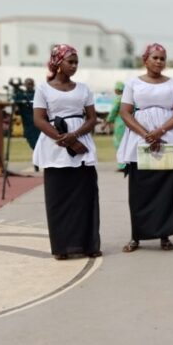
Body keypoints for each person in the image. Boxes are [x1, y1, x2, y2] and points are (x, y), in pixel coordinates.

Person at [118, 43, 173, 252]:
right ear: (145, 60)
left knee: (166, 188)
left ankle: (165, 234)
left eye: (162, 58)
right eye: (155, 58)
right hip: (140, 139)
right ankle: (137, 236)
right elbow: (125, 112)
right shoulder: (133, 83)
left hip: (168, 139)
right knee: (140, 190)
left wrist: (160, 131)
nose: (159, 61)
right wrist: (146, 134)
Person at [32, 45, 101, 260]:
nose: (74, 66)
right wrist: (62, 138)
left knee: (85, 197)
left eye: (76, 62)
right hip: (55, 147)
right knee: (58, 199)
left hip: (81, 144)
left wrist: (75, 135)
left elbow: (92, 118)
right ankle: (62, 246)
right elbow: (39, 119)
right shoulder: (44, 89)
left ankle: (88, 244)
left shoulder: (83, 89)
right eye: (70, 61)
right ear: (58, 63)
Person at [106, 81, 127, 171]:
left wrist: (108, 121)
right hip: (130, 123)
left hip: (120, 123)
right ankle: (128, 164)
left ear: (117, 90)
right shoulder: (129, 98)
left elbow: (114, 110)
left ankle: (122, 165)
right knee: (127, 143)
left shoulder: (119, 98)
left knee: (119, 143)